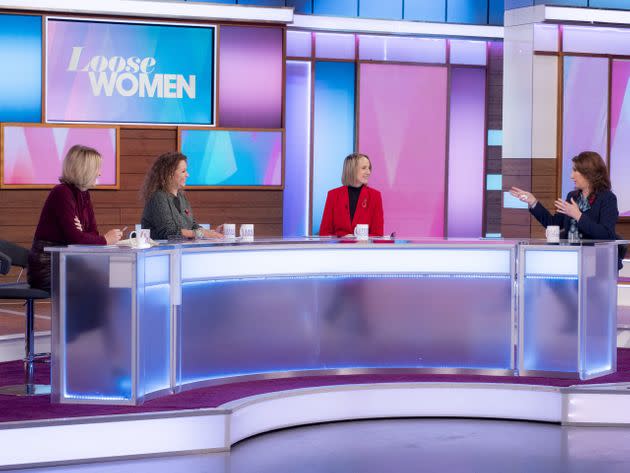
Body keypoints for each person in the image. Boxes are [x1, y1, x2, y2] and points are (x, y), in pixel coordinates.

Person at [28, 145, 123, 291]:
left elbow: (91, 234)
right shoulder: (61, 193)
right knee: (104, 282)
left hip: (68, 263)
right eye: (97, 168)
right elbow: (76, 238)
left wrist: (83, 234)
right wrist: (105, 240)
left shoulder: (84, 194)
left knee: (115, 279)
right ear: (84, 170)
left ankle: (96, 314)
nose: (99, 173)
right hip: (49, 267)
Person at [510, 151, 625, 270]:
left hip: (598, 264)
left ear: (589, 173)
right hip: (570, 260)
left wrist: (578, 216)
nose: (571, 176)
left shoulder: (607, 198)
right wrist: (533, 202)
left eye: (575, 171)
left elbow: (607, 235)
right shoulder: (573, 196)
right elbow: (553, 224)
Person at [141, 151, 223, 240]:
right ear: (169, 174)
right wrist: (201, 233)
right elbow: (169, 232)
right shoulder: (158, 197)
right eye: (183, 171)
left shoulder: (181, 197)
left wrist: (212, 233)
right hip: (160, 252)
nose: (187, 175)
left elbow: (192, 226)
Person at [319, 153, 384, 237]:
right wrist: (342, 237)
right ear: (352, 170)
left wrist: (359, 239)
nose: (368, 172)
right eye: (364, 168)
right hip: (339, 249)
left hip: (364, 248)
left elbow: (378, 234)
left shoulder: (375, 196)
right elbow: (324, 233)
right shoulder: (333, 195)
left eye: (369, 168)